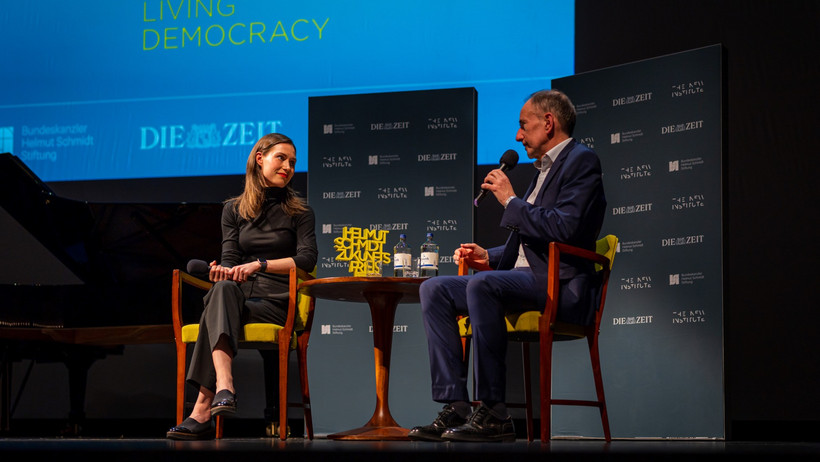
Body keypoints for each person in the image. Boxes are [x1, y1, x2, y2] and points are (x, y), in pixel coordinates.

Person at [408, 89, 607, 443]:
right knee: (434, 288)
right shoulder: (541, 171)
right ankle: (456, 404)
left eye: (523, 126)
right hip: (525, 277)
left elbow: (567, 229)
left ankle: (496, 411)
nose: (518, 136)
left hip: (560, 284)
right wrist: (488, 256)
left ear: (549, 123)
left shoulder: (582, 161)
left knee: (482, 285)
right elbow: (531, 241)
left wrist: (509, 200)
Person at [166, 133, 318, 440]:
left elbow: (306, 259)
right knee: (220, 292)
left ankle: (202, 410)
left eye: (292, 162)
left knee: (215, 308)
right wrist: (222, 271)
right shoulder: (233, 210)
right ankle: (225, 385)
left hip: (276, 300)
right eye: (281, 158)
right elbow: (231, 258)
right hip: (238, 298)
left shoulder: (301, 212)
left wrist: (260, 265)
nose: (288, 166)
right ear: (260, 158)